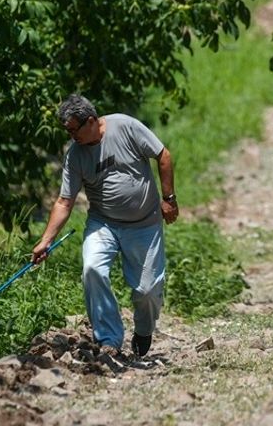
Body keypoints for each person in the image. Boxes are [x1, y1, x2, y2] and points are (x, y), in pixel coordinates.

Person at [33, 94, 179, 358]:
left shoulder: (125, 127)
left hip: (144, 224)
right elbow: (64, 202)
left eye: (73, 130)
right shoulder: (75, 155)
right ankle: (109, 338)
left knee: (147, 291)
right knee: (92, 269)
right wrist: (46, 240)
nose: (71, 136)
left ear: (90, 122)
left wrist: (168, 199)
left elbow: (163, 155)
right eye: (67, 131)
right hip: (104, 223)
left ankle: (144, 329)